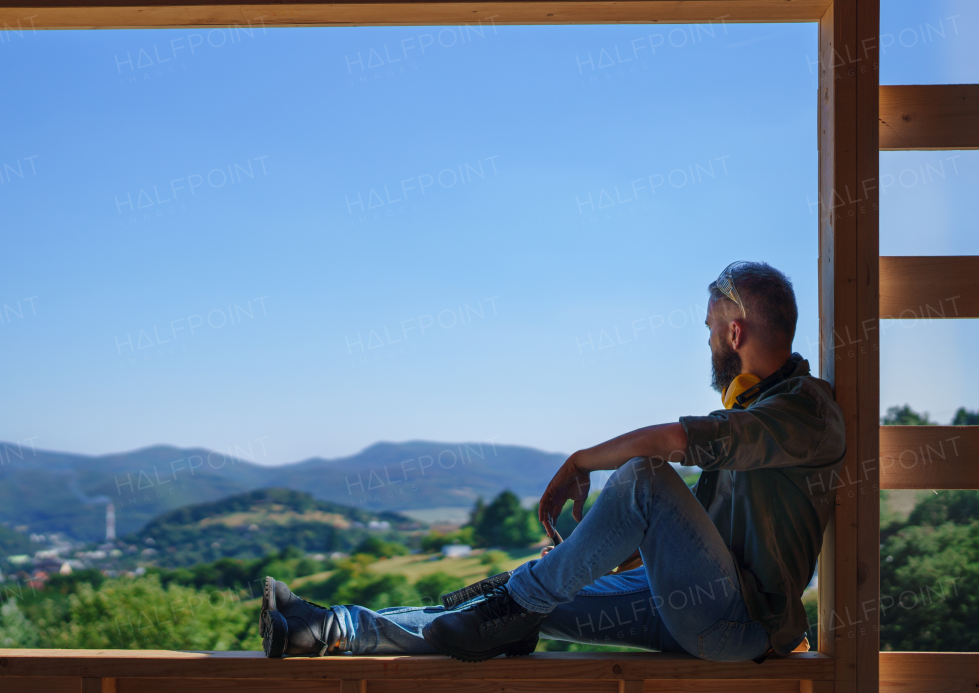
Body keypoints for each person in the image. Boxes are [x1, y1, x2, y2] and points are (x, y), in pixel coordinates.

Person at [259, 261, 846, 663]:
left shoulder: (803, 411)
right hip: (689, 606)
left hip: (740, 628)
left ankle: (520, 602)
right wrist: (596, 555)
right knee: (503, 606)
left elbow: (672, 441)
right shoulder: (758, 415)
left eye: (712, 331)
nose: (711, 344)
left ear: (734, 330)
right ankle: (326, 630)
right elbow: (707, 540)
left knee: (641, 475)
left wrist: (581, 461)